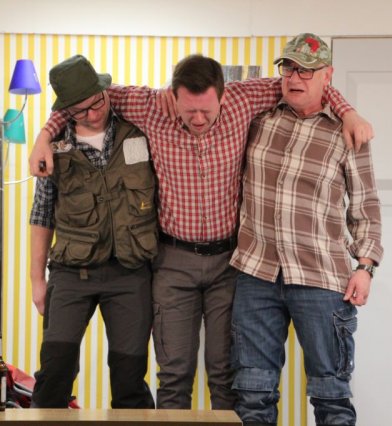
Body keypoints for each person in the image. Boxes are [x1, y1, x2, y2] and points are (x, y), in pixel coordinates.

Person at [29, 53, 373, 410]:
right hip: (172, 262)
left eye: (206, 111)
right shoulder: (150, 107)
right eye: (188, 110)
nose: (197, 119)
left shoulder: (243, 99)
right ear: (172, 96)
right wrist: (45, 135)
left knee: (225, 373)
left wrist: (347, 111)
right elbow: (83, 97)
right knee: (173, 375)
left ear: (223, 95)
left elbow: (301, 86)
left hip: (228, 264)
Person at [229, 33, 383, 426]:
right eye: (289, 68)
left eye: (308, 70)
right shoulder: (259, 119)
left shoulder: (348, 133)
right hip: (256, 273)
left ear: (327, 76)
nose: (295, 77)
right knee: (253, 395)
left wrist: (365, 267)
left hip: (322, 277)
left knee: (331, 395)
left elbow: (366, 208)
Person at [29, 55, 156, 409]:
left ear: (104, 91)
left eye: (97, 103)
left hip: (131, 273)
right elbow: (41, 215)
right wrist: (37, 280)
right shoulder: (54, 149)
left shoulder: (139, 132)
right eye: (80, 110)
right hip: (72, 273)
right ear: (66, 111)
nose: (93, 114)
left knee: (129, 379)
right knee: (55, 371)